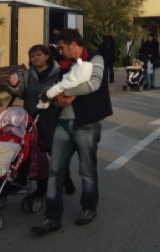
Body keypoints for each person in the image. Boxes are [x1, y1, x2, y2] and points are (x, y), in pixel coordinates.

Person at [31, 29, 113, 235]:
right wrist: (57, 96)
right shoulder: (64, 65)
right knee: (55, 172)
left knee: (87, 171)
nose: (59, 50)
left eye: (62, 47)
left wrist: (66, 92)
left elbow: (93, 84)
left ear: (73, 45)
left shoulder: (95, 58)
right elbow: (57, 87)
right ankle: (52, 217)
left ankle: (88, 208)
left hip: (87, 123)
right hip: (63, 123)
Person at [7, 44, 75, 198]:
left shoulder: (59, 72)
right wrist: (13, 85)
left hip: (53, 120)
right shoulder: (27, 74)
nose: (35, 58)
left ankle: (66, 178)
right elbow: (20, 91)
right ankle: (41, 186)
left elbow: (66, 91)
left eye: (38, 54)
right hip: (33, 119)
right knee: (36, 156)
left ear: (47, 56)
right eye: (32, 56)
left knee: (57, 155)